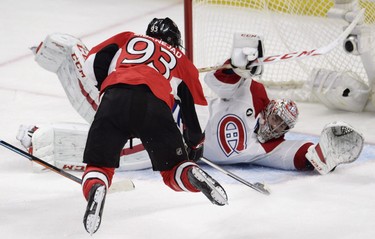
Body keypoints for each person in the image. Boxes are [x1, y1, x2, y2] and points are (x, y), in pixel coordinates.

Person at [77, 17, 228, 234]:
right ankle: (190, 173)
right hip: (154, 107)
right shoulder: (182, 60)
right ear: (175, 41)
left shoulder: (127, 38)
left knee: (99, 166)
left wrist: (106, 87)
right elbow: (197, 112)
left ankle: (97, 187)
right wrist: (194, 144)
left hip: (114, 99)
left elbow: (90, 62)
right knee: (172, 170)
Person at [202, 33, 364, 175]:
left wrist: (326, 154)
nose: (275, 126)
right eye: (276, 118)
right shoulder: (254, 93)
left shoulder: (271, 148)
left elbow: (298, 154)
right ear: (268, 111)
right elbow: (214, 83)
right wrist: (235, 68)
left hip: (186, 155)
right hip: (187, 122)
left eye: (282, 125)